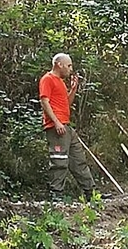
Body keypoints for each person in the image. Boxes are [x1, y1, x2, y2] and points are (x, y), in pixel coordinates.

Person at [39, 53, 94, 201]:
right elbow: (45, 101)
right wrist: (56, 122)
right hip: (56, 126)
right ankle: (56, 196)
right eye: (68, 65)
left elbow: (66, 105)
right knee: (59, 160)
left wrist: (74, 89)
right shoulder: (47, 79)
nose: (70, 69)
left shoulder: (61, 82)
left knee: (78, 159)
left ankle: (91, 194)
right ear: (59, 64)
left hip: (66, 126)